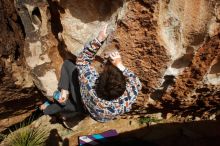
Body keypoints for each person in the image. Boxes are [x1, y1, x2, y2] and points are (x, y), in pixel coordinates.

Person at [76, 25, 142, 122]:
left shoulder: (89, 84)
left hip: (89, 108)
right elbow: (136, 83)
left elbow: (82, 61)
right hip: (101, 118)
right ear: (124, 87)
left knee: (68, 65)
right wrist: (120, 65)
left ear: (98, 81)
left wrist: (99, 39)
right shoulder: (127, 99)